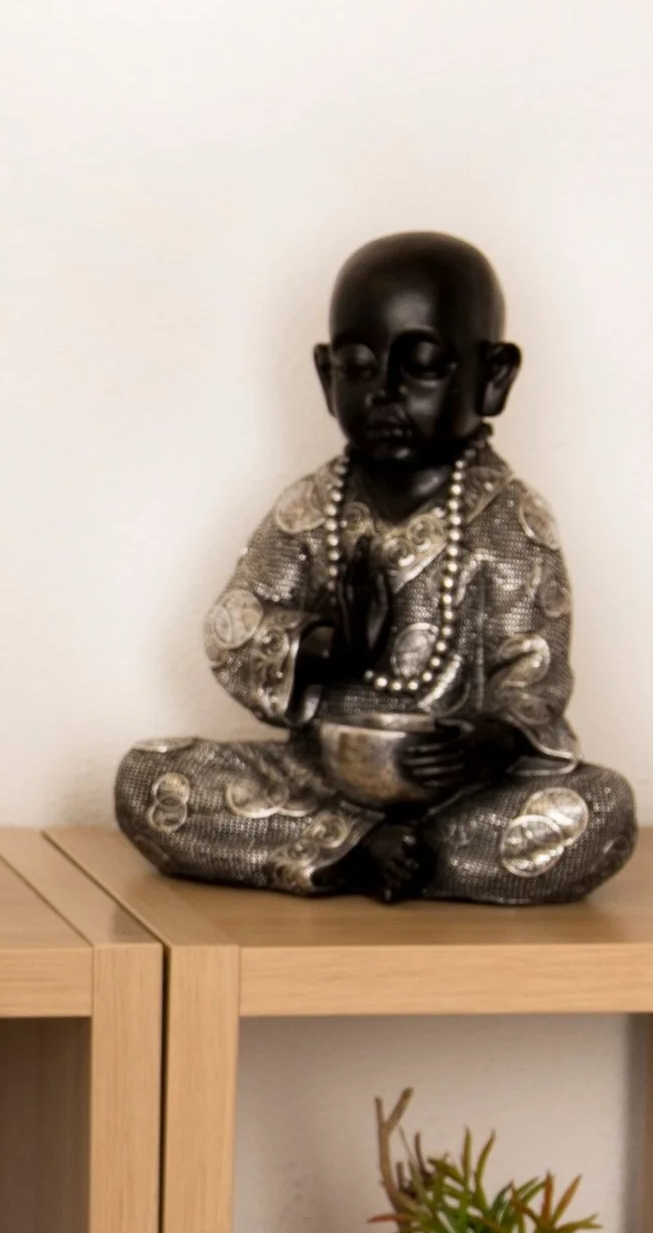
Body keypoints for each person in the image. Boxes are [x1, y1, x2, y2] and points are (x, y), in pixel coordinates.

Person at [117, 231, 635, 904]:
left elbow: (534, 677)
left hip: (455, 793)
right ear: (325, 376)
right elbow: (232, 627)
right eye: (359, 366)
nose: (386, 392)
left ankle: (374, 853)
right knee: (146, 776)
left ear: (495, 376)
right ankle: (364, 849)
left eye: (421, 366)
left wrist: (487, 745)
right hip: (320, 774)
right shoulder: (310, 509)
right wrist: (331, 649)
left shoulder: (511, 521)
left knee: (600, 812)